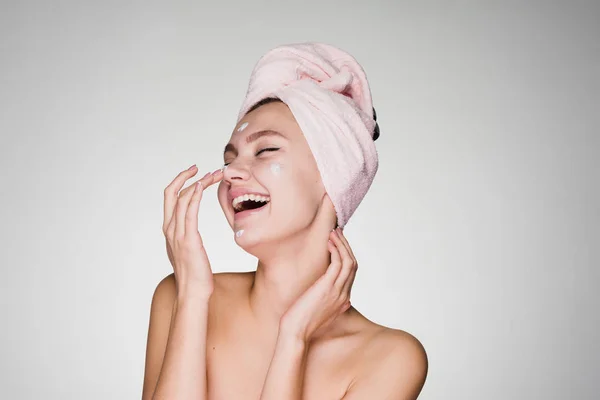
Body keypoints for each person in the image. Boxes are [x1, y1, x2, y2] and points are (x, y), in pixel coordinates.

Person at [142, 43, 428, 400]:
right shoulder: (179, 295)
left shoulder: (390, 358)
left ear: (333, 175)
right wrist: (193, 297)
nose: (232, 173)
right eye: (229, 159)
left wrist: (293, 338)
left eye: (265, 151)